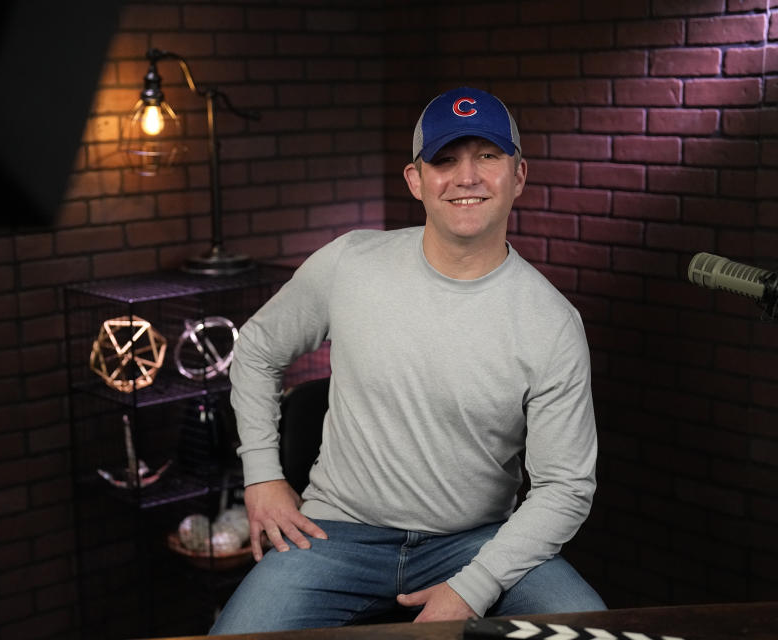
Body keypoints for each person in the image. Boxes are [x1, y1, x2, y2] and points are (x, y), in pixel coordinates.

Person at [210, 87, 605, 634]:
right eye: (445, 160)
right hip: (334, 535)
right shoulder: (351, 262)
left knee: (595, 632)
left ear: (518, 176)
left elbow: (565, 487)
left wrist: (472, 588)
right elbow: (255, 350)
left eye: (487, 156)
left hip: (478, 543)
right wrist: (261, 475)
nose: (467, 177)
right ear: (416, 180)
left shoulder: (552, 323)